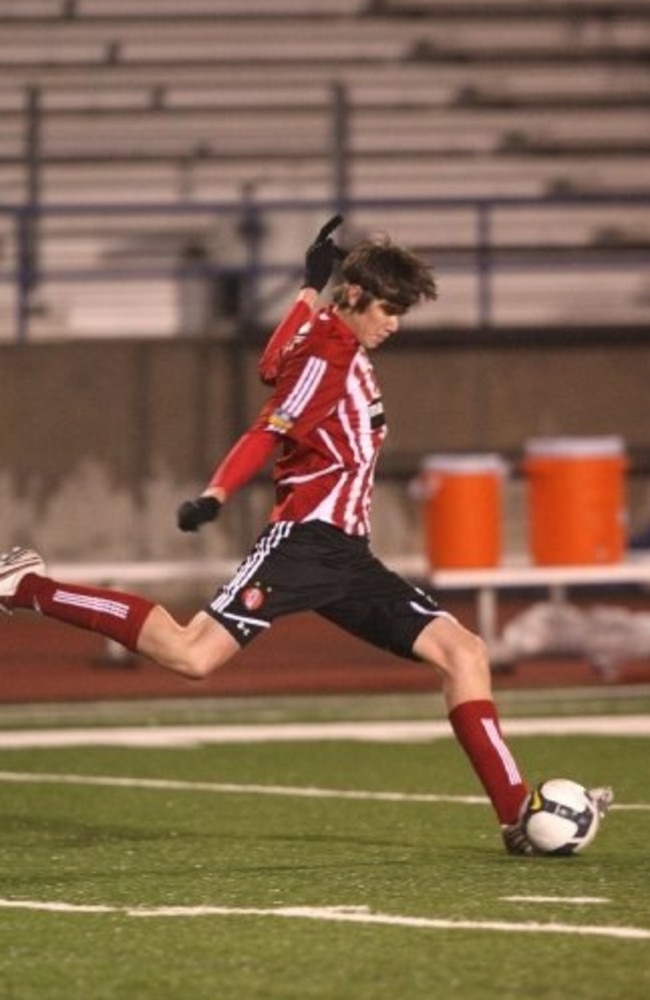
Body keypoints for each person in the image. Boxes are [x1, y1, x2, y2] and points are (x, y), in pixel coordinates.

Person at [0, 217, 611, 854]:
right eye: (388, 309)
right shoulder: (331, 355)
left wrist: (309, 285)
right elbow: (269, 427)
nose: (394, 324)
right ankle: (26, 586)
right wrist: (217, 491)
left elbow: (271, 363)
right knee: (190, 655)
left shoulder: (321, 332)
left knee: (465, 653)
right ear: (355, 299)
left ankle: (517, 816)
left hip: (347, 555)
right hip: (303, 544)